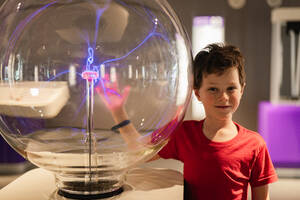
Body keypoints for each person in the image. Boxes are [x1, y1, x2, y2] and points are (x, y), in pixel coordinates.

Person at [98, 43, 278, 200]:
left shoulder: (255, 145)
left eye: (231, 88)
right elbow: (141, 151)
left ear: (242, 89)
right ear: (197, 93)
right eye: (213, 89)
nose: (223, 97)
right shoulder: (185, 133)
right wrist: (118, 111)